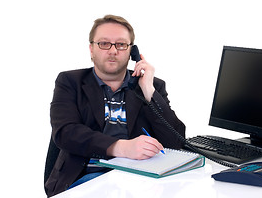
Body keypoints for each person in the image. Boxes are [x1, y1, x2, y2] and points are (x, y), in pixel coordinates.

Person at [45, 15, 186, 197]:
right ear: (91, 49)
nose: (113, 51)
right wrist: (122, 147)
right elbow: (65, 133)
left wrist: (149, 92)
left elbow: (176, 142)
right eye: (104, 43)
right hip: (86, 177)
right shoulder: (70, 82)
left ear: (132, 52)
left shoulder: (151, 86)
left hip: (140, 180)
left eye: (121, 44)